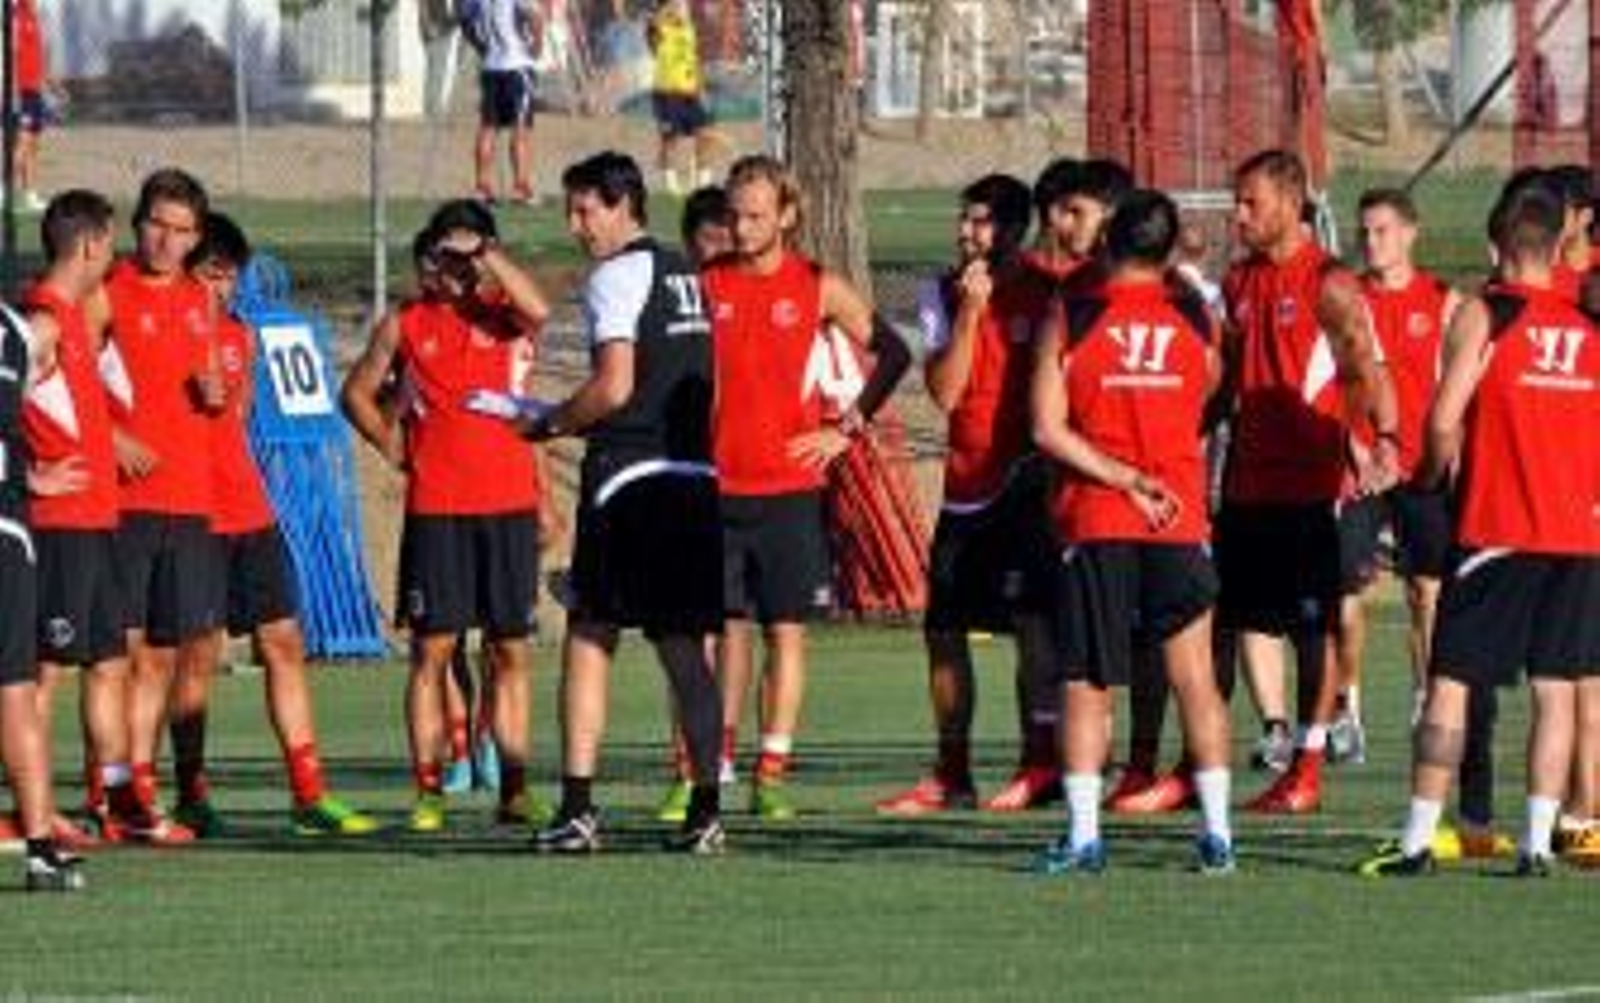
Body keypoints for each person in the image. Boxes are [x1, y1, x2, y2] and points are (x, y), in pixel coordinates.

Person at [1360, 181, 1600, 878]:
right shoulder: (1589, 325)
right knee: (1557, 687)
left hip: (1497, 525)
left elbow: (1441, 419)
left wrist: (1431, 474)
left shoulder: (1485, 314)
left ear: (1497, 246)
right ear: (1559, 247)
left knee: (1452, 682)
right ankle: (1534, 842)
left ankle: (1415, 839)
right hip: (1578, 535)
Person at [1030, 188, 1235, 875]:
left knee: (1088, 681)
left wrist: (1120, 475)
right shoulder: (1198, 317)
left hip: (1100, 518)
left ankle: (1086, 837)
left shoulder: (1075, 311)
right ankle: (1218, 835)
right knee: (1196, 680)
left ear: (1111, 239)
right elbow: (1208, 393)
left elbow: (1045, 427)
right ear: (1170, 248)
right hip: (1178, 518)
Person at [526, 150, 726, 854]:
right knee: (683, 649)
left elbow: (613, 386)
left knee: (589, 633)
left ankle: (578, 807)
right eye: (570, 209)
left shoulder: (616, 275)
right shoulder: (688, 274)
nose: (575, 224)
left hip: (628, 479)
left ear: (623, 204)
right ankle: (707, 810)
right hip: (695, 477)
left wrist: (549, 420)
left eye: (585, 209)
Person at [702, 154, 911, 821]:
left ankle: (772, 771)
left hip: (789, 488)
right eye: (734, 213)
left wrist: (844, 430)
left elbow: (893, 351)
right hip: (715, 486)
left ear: (787, 216)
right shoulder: (706, 285)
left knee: (784, 632)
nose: (741, 226)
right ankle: (710, 762)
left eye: (756, 215)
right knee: (720, 631)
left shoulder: (816, 284)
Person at [162, 212, 378, 838]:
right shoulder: (164, 333)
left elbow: (238, 418)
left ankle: (309, 793)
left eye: (229, 276)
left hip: (249, 510)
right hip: (193, 514)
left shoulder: (239, 338)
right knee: (197, 654)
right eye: (208, 274)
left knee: (283, 641)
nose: (219, 288)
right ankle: (190, 792)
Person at [342, 199, 550, 833]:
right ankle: (428, 789)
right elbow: (355, 391)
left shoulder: (509, 320)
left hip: (510, 507)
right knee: (432, 652)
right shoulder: (406, 322)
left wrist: (482, 252)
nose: (449, 270)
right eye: (440, 256)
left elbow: (539, 307)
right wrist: (390, 442)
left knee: (509, 651)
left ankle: (514, 787)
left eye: (462, 257)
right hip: (438, 511)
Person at [1215, 149, 1396, 815]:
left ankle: (1308, 767)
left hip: (1309, 489)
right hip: (1244, 487)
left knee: (1313, 632)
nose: (1238, 215)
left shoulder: (1329, 280)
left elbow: (1365, 370)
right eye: (1237, 201)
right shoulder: (1236, 282)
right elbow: (1227, 374)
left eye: (1250, 202)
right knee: (1228, 623)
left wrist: (1374, 440)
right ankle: (1196, 763)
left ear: (1291, 203)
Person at [875, 173, 1061, 816]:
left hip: (1027, 487)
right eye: (964, 219)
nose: (965, 232)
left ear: (1013, 229)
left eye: (979, 221)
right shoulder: (940, 293)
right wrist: (973, 313)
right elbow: (947, 393)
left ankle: (1040, 763)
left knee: (1034, 628)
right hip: (965, 486)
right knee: (945, 629)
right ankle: (952, 772)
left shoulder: (1048, 292)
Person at [91, 167, 222, 846]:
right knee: (116, 650)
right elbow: (62, 374)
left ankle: (136, 792)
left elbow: (212, 386)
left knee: (165, 656)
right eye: (156, 225)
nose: (166, 241)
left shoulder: (203, 297)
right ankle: (106, 789)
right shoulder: (106, 289)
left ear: (196, 237)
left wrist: (215, 389)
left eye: (181, 230)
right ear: (137, 222)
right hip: (123, 502)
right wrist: (110, 435)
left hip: (189, 498)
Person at [1331, 188, 1460, 771]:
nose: (1371, 241)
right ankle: (1346, 712)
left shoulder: (1445, 301)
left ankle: (1424, 704)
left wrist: (1447, 454)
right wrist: (1354, 447)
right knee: (1348, 594)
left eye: (1382, 230)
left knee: (1426, 591)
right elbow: (1327, 386)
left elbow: (1461, 392)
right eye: (1364, 232)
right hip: (1359, 468)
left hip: (1420, 469)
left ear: (1411, 232)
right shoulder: (1345, 299)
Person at [15, 190, 126, 849]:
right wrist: (26, 478)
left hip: (97, 520)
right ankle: (38, 807)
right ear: (89, 245)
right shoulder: (43, 323)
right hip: (59, 524)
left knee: (108, 657)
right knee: (44, 670)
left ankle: (112, 794)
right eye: (110, 243)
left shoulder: (76, 318)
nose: (111, 255)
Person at [0, 300, 88, 890]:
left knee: (15, 689)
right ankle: (39, 849)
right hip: (4, 533)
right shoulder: (12, 328)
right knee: (13, 689)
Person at [459, 0, 541, 205]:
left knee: (488, 128)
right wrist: (537, 46)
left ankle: (482, 187)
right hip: (517, 66)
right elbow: (534, 17)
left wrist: (481, 47)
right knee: (520, 130)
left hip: (490, 68)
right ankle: (522, 187)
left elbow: (464, 20)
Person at [647, 0, 717, 195]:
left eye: (682, 5)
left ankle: (703, 184)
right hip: (667, 92)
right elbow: (652, 40)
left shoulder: (688, 28)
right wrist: (661, 15)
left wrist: (702, 89)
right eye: (676, 5)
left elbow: (693, 59)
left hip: (691, 92)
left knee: (705, 135)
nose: (681, 8)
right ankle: (670, 186)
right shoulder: (659, 27)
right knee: (671, 140)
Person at [9, 0, 50, 213]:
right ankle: (3, 191)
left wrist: (48, 81)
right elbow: (10, 55)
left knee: (33, 145)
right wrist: (13, 89)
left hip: (35, 89)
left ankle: (30, 196)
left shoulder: (35, 14)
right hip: (21, 91)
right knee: (21, 143)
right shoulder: (15, 15)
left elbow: (38, 53)